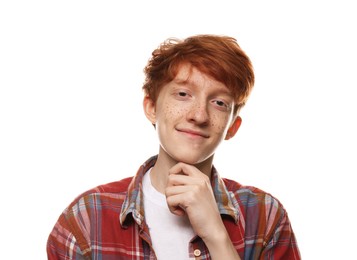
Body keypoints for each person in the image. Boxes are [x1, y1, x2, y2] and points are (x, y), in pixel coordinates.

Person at [47, 34, 301, 260]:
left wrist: (216, 235)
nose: (199, 115)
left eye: (219, 102)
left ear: (232, 127)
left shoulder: (266, 217)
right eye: (183, 94)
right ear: (151, 107)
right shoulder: (87, 219)